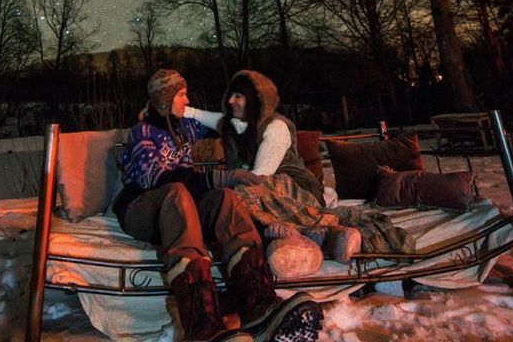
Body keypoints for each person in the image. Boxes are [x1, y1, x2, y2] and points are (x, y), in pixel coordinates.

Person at [114, 69, 323, 342]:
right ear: (165, 100)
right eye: (181, 95)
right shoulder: (142, 132)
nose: (187, 100)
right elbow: (158, 179)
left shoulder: (185, 126)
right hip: (141, 208)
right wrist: (227, 175)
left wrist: (240, 113)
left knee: (225, 198)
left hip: (181, 206)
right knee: (177, 192)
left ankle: (258, 304)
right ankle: (201, 326)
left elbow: (230, 125)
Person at [186, 69, 362, 262]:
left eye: (238, 96)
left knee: (238, 195)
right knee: (231, 202)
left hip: (297, 190)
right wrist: (174, 110)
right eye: (230, 96)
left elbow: (259, 176)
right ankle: (290, 239)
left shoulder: (275, 127)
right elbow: (201, 116)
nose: (230, 102)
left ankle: (325, 231)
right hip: (260, 192)